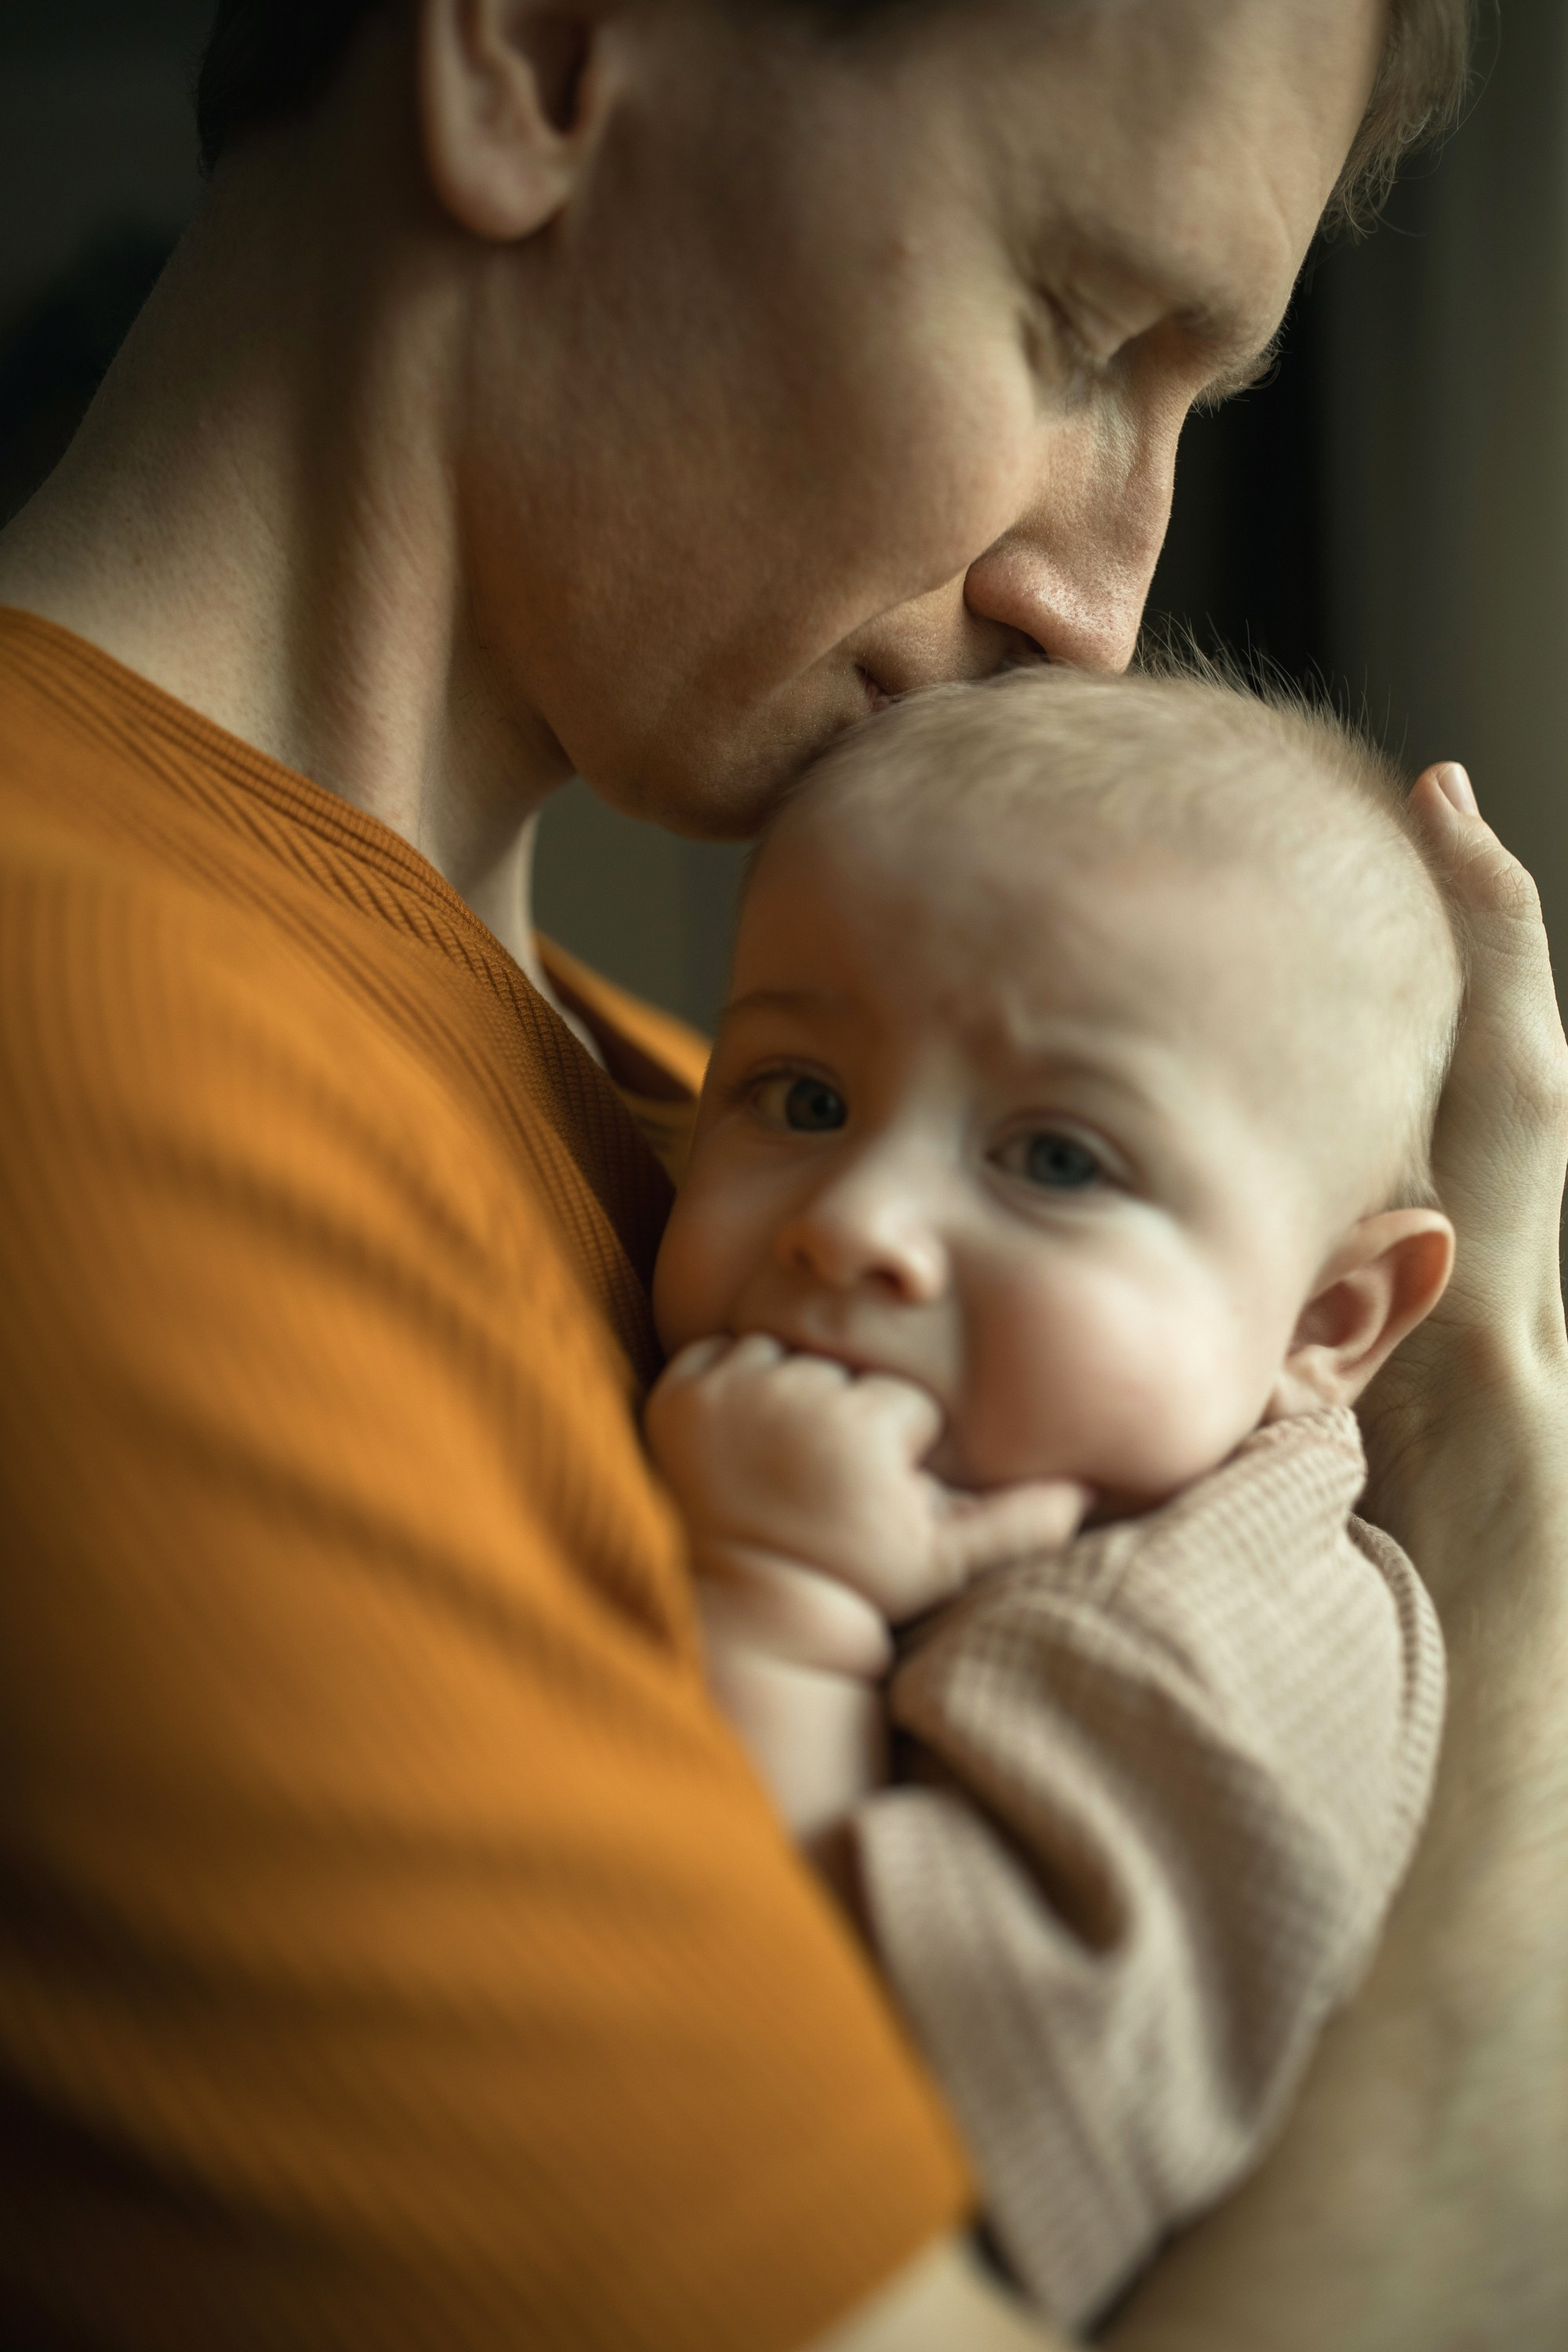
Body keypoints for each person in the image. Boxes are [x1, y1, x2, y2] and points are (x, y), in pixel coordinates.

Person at [0, 2, 1562, 2347]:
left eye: (1185, 416)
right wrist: (1521, 1570)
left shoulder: (729, 1133)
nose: (1098, 610)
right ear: (537, 54)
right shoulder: (89, 1067)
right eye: (1072, 330)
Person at [647, 664, 1460, 2329]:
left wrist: (782, 1602)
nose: (856, 1219)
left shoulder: (1163, 1648)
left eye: (1057, 1160)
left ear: (1329, 1323)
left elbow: (839, 2131)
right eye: (800, 1099)